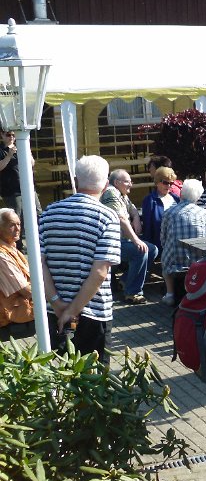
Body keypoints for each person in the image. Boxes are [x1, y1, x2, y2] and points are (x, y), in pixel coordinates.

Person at [40, 155, 121, 363]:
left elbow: (39, 265)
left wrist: (59, 305)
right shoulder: (107, 216)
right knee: (94, 383)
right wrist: (72, 311)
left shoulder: (49, 213)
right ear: (105, 184)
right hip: (94, 312)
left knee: (59, 379)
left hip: (54, 312)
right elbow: (100, 272)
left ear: (75, 181)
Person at [101, 169, 158, 304]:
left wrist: (136, 217)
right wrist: (136, 240)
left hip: (122, 241)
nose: (131, 184)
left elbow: (131, 208)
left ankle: (125, 281)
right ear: (116, 182)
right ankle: (133, 292)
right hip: (111, 243)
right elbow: (121, 219)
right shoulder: (110, 192)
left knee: (152, 249)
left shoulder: (121, 193)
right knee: (140, 251)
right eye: (127, 181)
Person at [159, 179, 206, 307]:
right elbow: (205, 234)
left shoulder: (169, 212)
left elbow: (163, 237)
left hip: (174, 259)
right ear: (198, 196)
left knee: (166, 255)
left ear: (182, 194)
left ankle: (170, 294)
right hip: (196, 260)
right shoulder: (203, 213)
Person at [0, 208, 33, 330]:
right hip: (13, 314)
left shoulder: (11, 247)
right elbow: (27, 291)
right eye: (11, 225)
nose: (18, 228)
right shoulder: (1, 255)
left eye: (18, 224)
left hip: (26, 305)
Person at [141, 166, 180, 250]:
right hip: (160, 245)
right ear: (157, 182)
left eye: (171, 183)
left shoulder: (176, 198)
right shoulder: (150, 200)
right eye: (165, 182)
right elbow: (147, 227)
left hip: (177, 242)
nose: (168, 185)